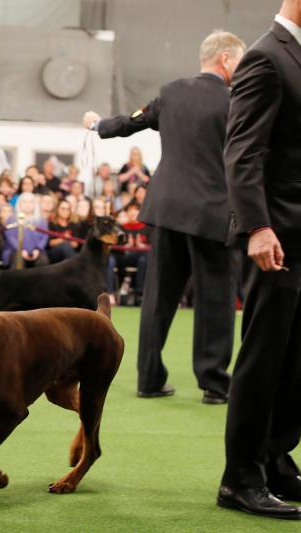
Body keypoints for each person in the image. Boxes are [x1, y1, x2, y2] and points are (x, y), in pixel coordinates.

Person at [83, 29, 245, 402]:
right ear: (225, 59)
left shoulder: (172, 92)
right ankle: (214, 383)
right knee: (215, 300)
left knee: (158, 297)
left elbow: (130, 122)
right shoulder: (235, 100)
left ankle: (149, 379)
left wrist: (96, 124)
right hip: (212, 213)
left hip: (167, 210)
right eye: (241, 59)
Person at [217, 1, 301, 520]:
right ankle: (239, 477)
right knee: (264, 357)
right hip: (277, 234)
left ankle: (274, 458)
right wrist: (257, 226)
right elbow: (242, 150)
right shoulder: (266, 57)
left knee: (295, 361)